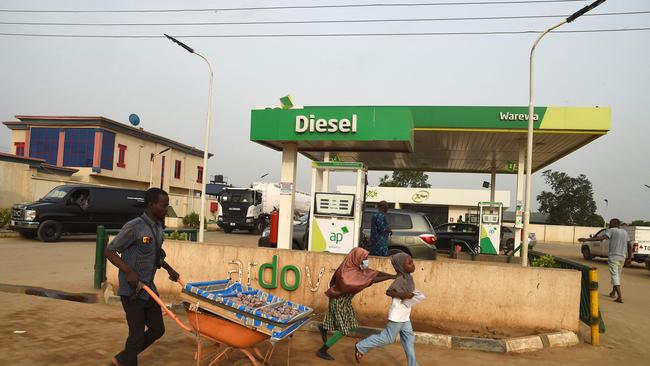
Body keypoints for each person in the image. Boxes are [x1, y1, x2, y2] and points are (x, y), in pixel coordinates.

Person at [105, 188, 180, 366]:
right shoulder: (134, 226)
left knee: (157, 329)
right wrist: (129, 272)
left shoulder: (159, 227)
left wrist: (169, 269)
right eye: (163, 206)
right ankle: (125, 361)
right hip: (132, 290)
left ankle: (122, 359)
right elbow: (109, 251)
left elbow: (156, 254)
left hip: (148, 289)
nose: (166, 209)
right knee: (136, 336)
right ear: (151, 205)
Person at [316, 247, 396, 361]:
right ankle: (322, 350)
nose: (366, 261)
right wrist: (389, 277)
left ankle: (323, 327)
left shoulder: (356, 268)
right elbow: (370, 280)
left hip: (345, 301)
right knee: (345, 330)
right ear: (357, 258)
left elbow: (374, 274)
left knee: (352, 324)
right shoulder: (346, 273)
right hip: (338, 301)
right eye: (364, 259)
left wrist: (391, 276)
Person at [355, 253, 419, 366]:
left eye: (412, 262)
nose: (412, 265)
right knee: (388, 338)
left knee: (409, 340)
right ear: (400, 266)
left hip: (405, 315)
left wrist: (414, 295)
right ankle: (361, 346)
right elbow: (389, 292)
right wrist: (404, 295)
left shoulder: (408, 278)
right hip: (397, 316)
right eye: (409, 263)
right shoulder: (400, 279)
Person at [579, 218, 631, 303]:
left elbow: (601, 238)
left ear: (614, 224)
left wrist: (586, 239)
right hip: (622, 257)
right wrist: (629, 258)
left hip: (614, 257)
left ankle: (620, 297)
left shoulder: (611, 230)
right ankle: (613, 292)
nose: (609, 225)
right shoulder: (625, 232)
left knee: (615, 276)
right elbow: (629, 245)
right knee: (617, 275)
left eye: (610, 223)